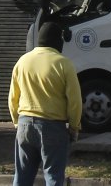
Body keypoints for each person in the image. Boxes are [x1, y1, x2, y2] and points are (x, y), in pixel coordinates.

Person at [10, 22, 83, 186]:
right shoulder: (63, 63)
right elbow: (75, 100)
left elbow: (13, 98)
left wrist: (17, 122)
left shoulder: (22, 61)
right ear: (58, 41)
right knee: (53, 176)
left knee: (22, 177)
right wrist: (74, 126)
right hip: (53, 127)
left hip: (24, 123)